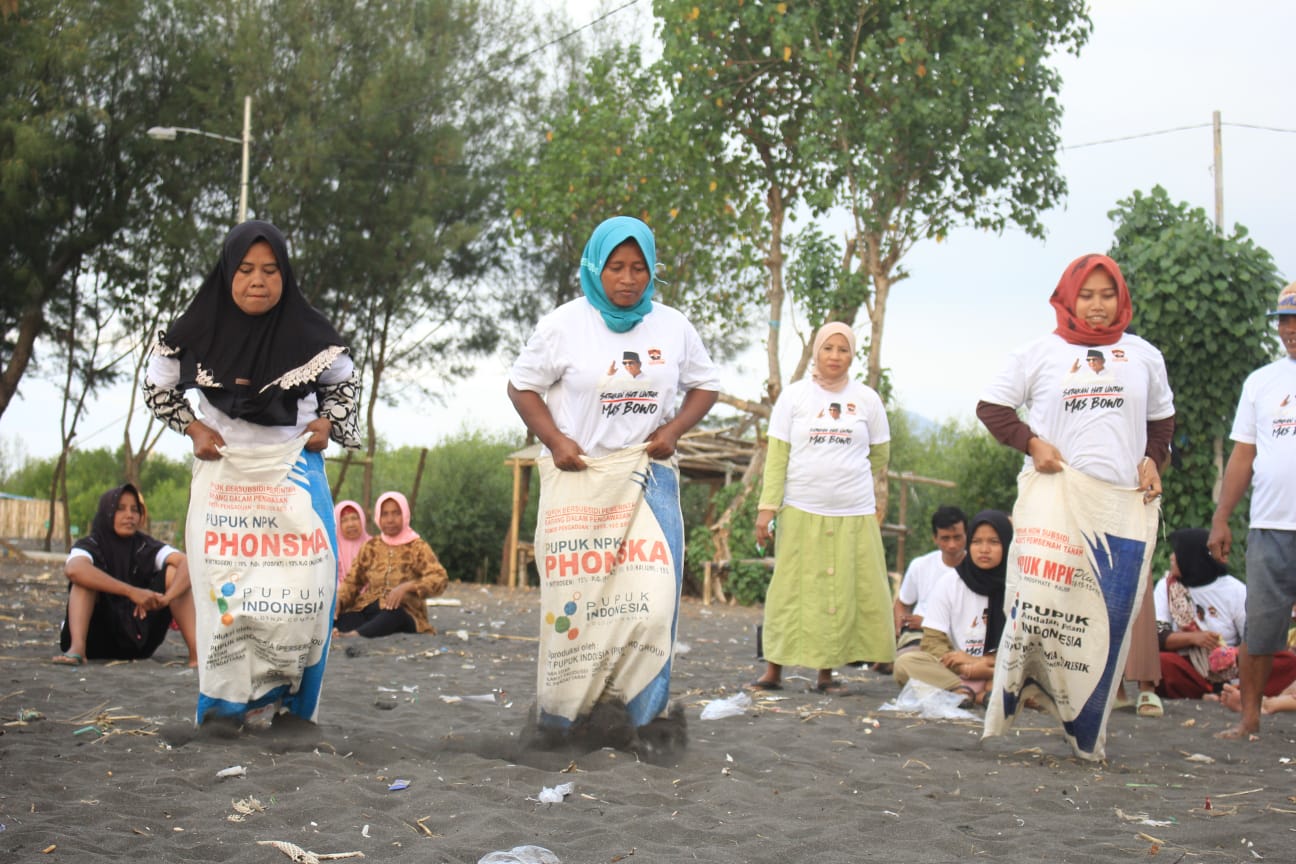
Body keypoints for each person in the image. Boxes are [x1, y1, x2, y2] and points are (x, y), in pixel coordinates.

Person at [144, 220, 360, 726]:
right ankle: (224, 711)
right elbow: (158, 388)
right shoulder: (191, 331)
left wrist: (327, 422)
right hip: (225, 478)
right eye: (245, 270)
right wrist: (194, 429)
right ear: (226, 273)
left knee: (306, 595)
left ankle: (292, 709)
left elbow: (345, 383)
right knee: (228, 599)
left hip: (295, 475)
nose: (257, 281)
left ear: (285, 276)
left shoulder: (312, 333)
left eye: (270, 270)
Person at [508, 214, 719, 732]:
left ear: (653, 272)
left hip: (647, 480)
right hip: (579, 480)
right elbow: (520, 386)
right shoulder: (563, 325)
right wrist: (555, 440)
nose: (628, 279)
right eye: (616, 268)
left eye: (639, 268)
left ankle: (641, 722)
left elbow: (706, 384)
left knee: (651, 604)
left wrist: (673, 431)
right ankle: (566, 721)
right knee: (580, 609)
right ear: (594, 269)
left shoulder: (672, 326)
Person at [978, 253, 1174, 741]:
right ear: (1068, 297)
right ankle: (1023, 690)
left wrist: (1154, 460)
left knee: (1106, 617)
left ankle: (1088, 729)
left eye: (1107, 295)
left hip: (1119, 505)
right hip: (1055, 499)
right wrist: (1032, 443)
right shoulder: (1039, 353)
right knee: (1039, 603)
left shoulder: (1144, 355)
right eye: (1086, 295)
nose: (1097, 306)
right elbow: (992, 407)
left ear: (1122, 298)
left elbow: (1161, 421)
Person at [748, 322, 893, 695]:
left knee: (839, 590)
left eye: (843, 349)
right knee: (789, 589)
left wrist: (845, 479)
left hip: (853, 512)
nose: (835, 356)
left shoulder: (867, 399)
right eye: (828, 348)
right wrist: (768, 508)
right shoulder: (795, 397)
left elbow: (879, 454)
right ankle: (773, 670)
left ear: (852, 355)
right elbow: (777, 458)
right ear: (816, 352)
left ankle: (826, 676)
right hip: (800, 508)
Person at [1207, 281, 1296, 740]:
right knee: (1260, 628)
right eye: (1285, 320)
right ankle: (1250, 720)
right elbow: (1244, 455)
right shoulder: (1261, 382)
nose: (1291, 330)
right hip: (1269, 526)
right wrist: (1222, 518)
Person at [53, 484, 197, 667]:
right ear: (107, 512)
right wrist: (132, 592)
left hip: (138, 640)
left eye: (135, 509)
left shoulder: (146, 545)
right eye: (120, 509)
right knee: (83, 580)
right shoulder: (91, 544)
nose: (129, 515)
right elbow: (74, 569)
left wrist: (165, 599)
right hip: (95, 640)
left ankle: (196, 656)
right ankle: (76, 649)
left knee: (174, 573)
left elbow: (187, 562)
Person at [893, 510, 1012, 707]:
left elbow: (1024, 647)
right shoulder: (950, 583)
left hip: (1003, 668)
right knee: (905, 664)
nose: (984, 549)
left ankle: (974, 693)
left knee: (1034, 673)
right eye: (976, 542)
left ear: (1008, 544)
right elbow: (933, 642)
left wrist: (983, 663)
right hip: (956, 670)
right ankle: (967, 692)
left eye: (994, 542)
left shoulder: (1019, 587)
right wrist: (967, 667)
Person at [335, 491, 448, 638]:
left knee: (394, 615)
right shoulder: (371, 546)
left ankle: (355, 635)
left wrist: (408, 587)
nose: (390, 520)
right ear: (378, 517)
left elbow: (439, 578)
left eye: (396, 513)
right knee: (345, 618)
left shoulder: (417, 547)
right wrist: (340, 601)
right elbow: (353, 581)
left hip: (405, 612)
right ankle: (346, 631)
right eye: (385, 514)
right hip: (371, 608)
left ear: (405, 515)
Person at [894, 506, 968, 654]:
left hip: (963, 637)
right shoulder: (920, 565)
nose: (952, 545)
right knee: (908, 658)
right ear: (935, 538)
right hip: (919, 636)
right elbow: (902, 603)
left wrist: (927, 623)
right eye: (945, 538)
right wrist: (900, 626)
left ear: (967, 535)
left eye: (957, 537)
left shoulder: (978, 570)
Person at [334, 500, 371, 586]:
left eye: (354, 518)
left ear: (362, 519)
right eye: (344, 520)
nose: (350, 524)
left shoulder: (374, 545)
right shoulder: (331, 548)